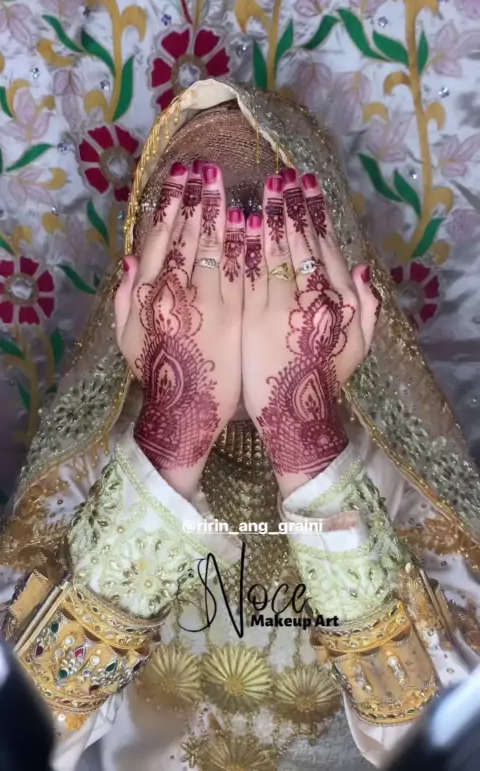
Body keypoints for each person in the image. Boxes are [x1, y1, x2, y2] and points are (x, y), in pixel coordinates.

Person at [1, 79, 480, 771]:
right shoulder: (86, 463)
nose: (235, 287)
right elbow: (22, 736)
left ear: (339, 271)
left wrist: (307, 440)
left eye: (270, 239)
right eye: (194, 245)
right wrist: (171, 437)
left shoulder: (401, 471)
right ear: (136, 284)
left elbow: (450, 740)